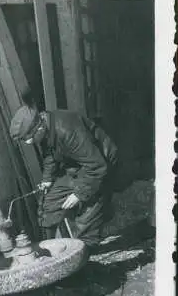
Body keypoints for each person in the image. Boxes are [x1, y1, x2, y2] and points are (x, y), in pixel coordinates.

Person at [9, 93, 118, 252]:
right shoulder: (46, 128)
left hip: (100, 167)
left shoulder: (68, 130)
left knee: (85, 220)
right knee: (49, 204)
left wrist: (79, 194)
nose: (27, 143)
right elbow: (50, 155)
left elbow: (97, 166)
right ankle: (47, 250)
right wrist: (47, 179)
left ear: (39, 127)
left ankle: (85, 257)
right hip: (77, 167)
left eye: (28, 139)